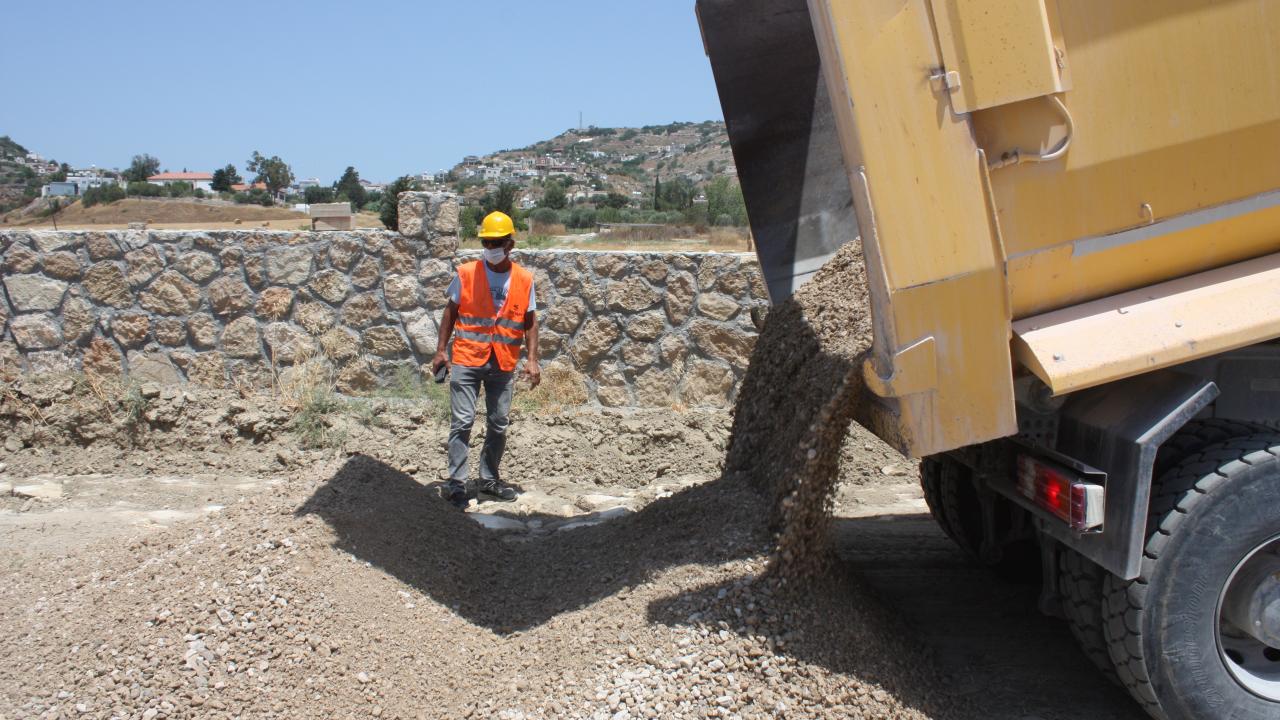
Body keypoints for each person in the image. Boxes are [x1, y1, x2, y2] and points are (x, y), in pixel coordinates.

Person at [431, 210, 541, 509]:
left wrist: (531, 360)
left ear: (510, 244)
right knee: (463, 421)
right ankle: (456, 484)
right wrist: (441, 350)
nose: (491, 249)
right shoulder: (467, 273)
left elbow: (530, 321)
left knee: (498, 423)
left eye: (497, 243)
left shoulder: (524, 279)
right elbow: (450, 312)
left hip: (503, 362)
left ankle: (488, 481)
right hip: (467, 358)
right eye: (487, 242)